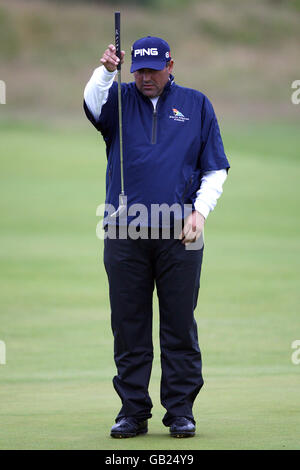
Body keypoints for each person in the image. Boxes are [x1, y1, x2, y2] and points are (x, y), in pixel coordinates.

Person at [83, 36, 230, 438]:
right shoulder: (118, 99)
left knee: (179, 326)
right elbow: (93, 103)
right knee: (129, 326)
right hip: (124, 231)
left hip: (181, 233)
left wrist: (200, 211)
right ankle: (132, 412)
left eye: (153, 69)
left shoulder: (197, 104)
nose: (145, 77)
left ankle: (180, 411)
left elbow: (215, 166)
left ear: (170, 66)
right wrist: (106, 71)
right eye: (139, 71)